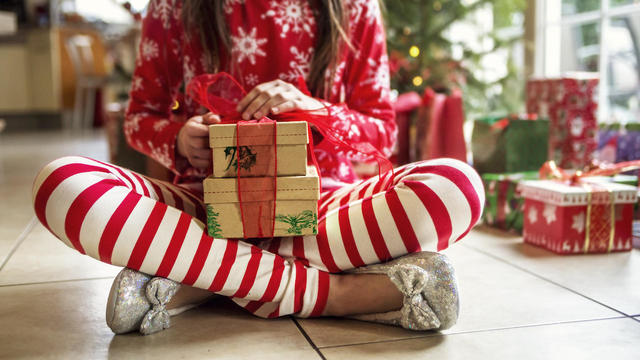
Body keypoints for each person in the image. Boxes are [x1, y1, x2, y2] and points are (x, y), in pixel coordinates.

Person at [32, 0, 484, 335]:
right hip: (204, 211)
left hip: (320, 210)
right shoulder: (173, 6)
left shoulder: (354, 6)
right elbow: (137, 118)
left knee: (459, 187)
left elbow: (382, 131)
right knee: (62, 186)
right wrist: (179, 138)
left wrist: (316, 109)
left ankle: (203, 280)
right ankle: (340, 294)